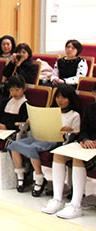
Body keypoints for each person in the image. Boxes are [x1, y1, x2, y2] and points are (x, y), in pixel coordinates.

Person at [8, 85, 81, 197]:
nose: (60, 100)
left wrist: (70, 130)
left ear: (70, 99)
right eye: (58, 97)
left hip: (55, 139)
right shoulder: (51, 111)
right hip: (40, 136)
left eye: (63, 98)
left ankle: (39, 178)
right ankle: (20, 175)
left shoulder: (74, 115)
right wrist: (32, 121)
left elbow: (77, 131)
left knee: (32, 148)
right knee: (14, 145)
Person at [42, 84, 96, 219]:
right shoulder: (91, 108)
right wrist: (85, 139)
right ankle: (57, 199)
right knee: (59, 155)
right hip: (88, 144)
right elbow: (84, 129)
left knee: (78, 159)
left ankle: (75, 205)